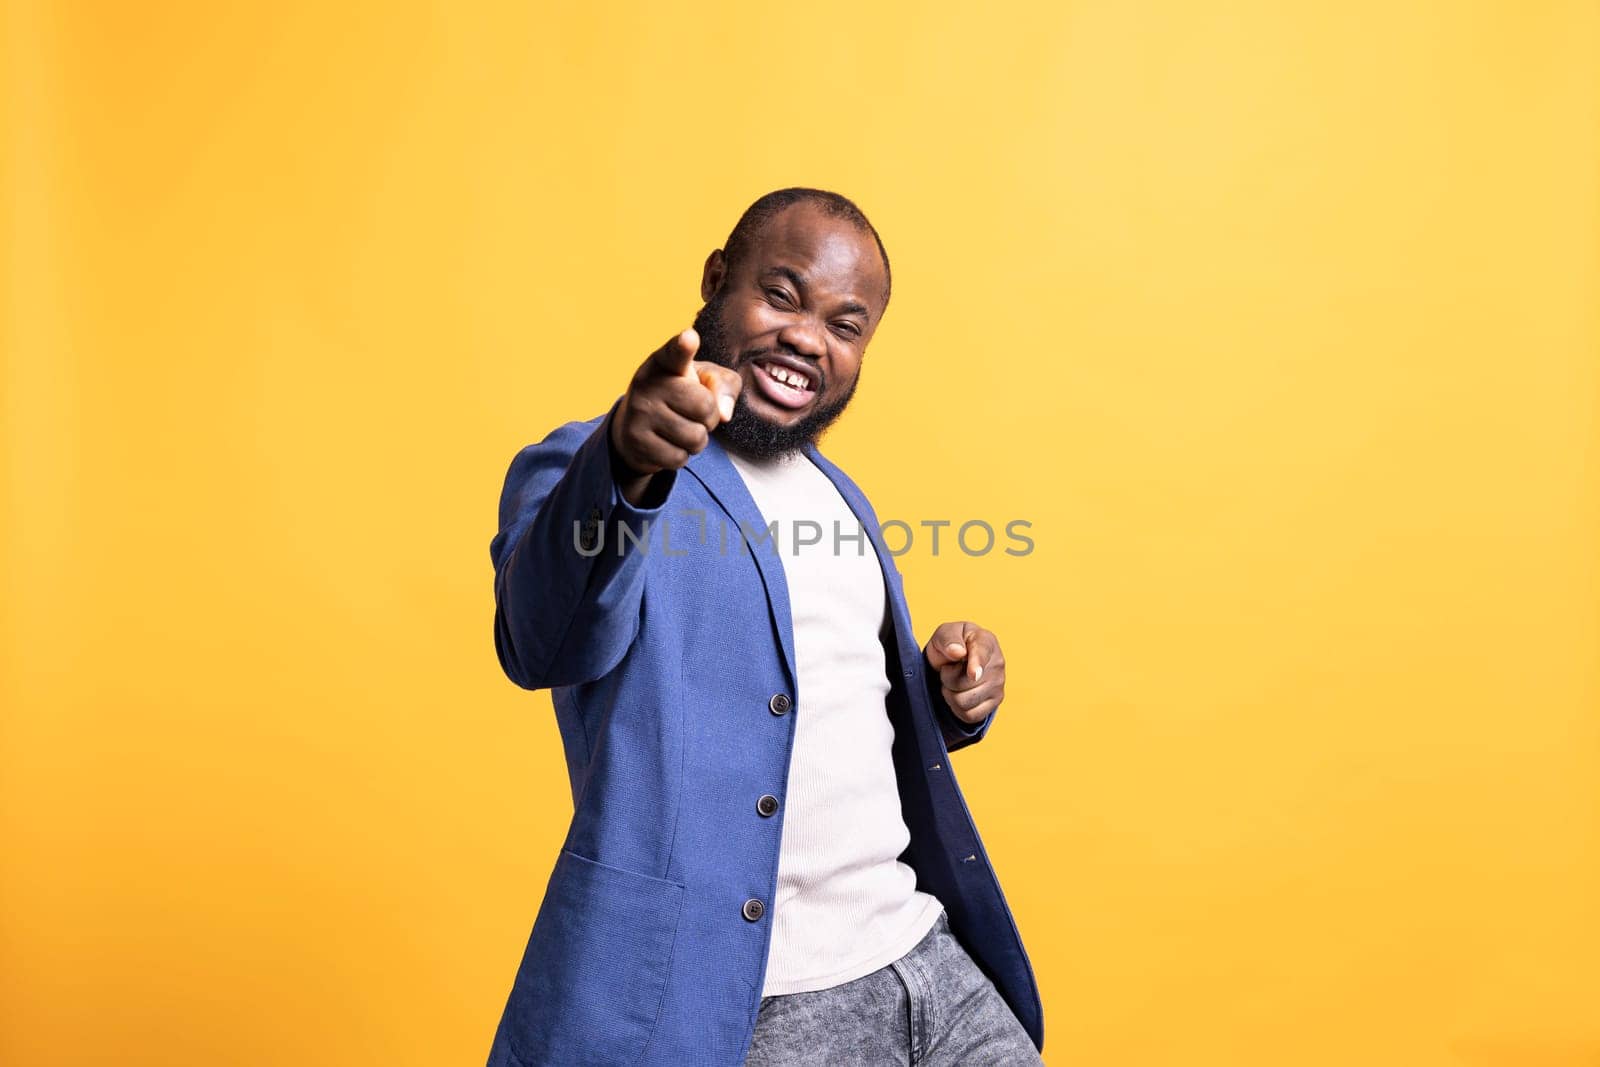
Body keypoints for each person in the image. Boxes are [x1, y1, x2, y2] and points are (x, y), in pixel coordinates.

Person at [485, 188, 1044, 1066]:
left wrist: (947, 697)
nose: (808, 338)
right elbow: (542, 640)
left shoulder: (835, 493)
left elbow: (807, 707)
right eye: (781, 296)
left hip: (921, 956)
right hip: (768, 999)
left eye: (845, 324)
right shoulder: (597, 462)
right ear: (716, 281)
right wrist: (624, 465)